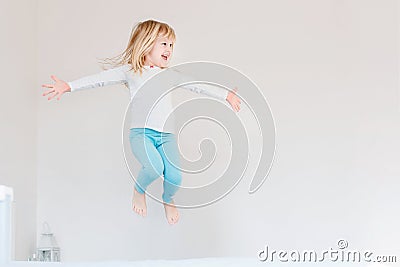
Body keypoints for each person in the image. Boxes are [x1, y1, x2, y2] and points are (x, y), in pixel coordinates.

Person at [42, 19, 242, 225]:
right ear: (147, 44)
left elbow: (196, 85)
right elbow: (99, 79)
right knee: (154, 168)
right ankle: (139, 191)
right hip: (142, 134)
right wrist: (69, 86)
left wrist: (226, 95)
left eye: (171, 45)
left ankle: (167, 198)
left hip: (167, 137)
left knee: (175, 178)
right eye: (164, 43)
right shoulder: (131, 71)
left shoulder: (170, 74)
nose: (169, 49)